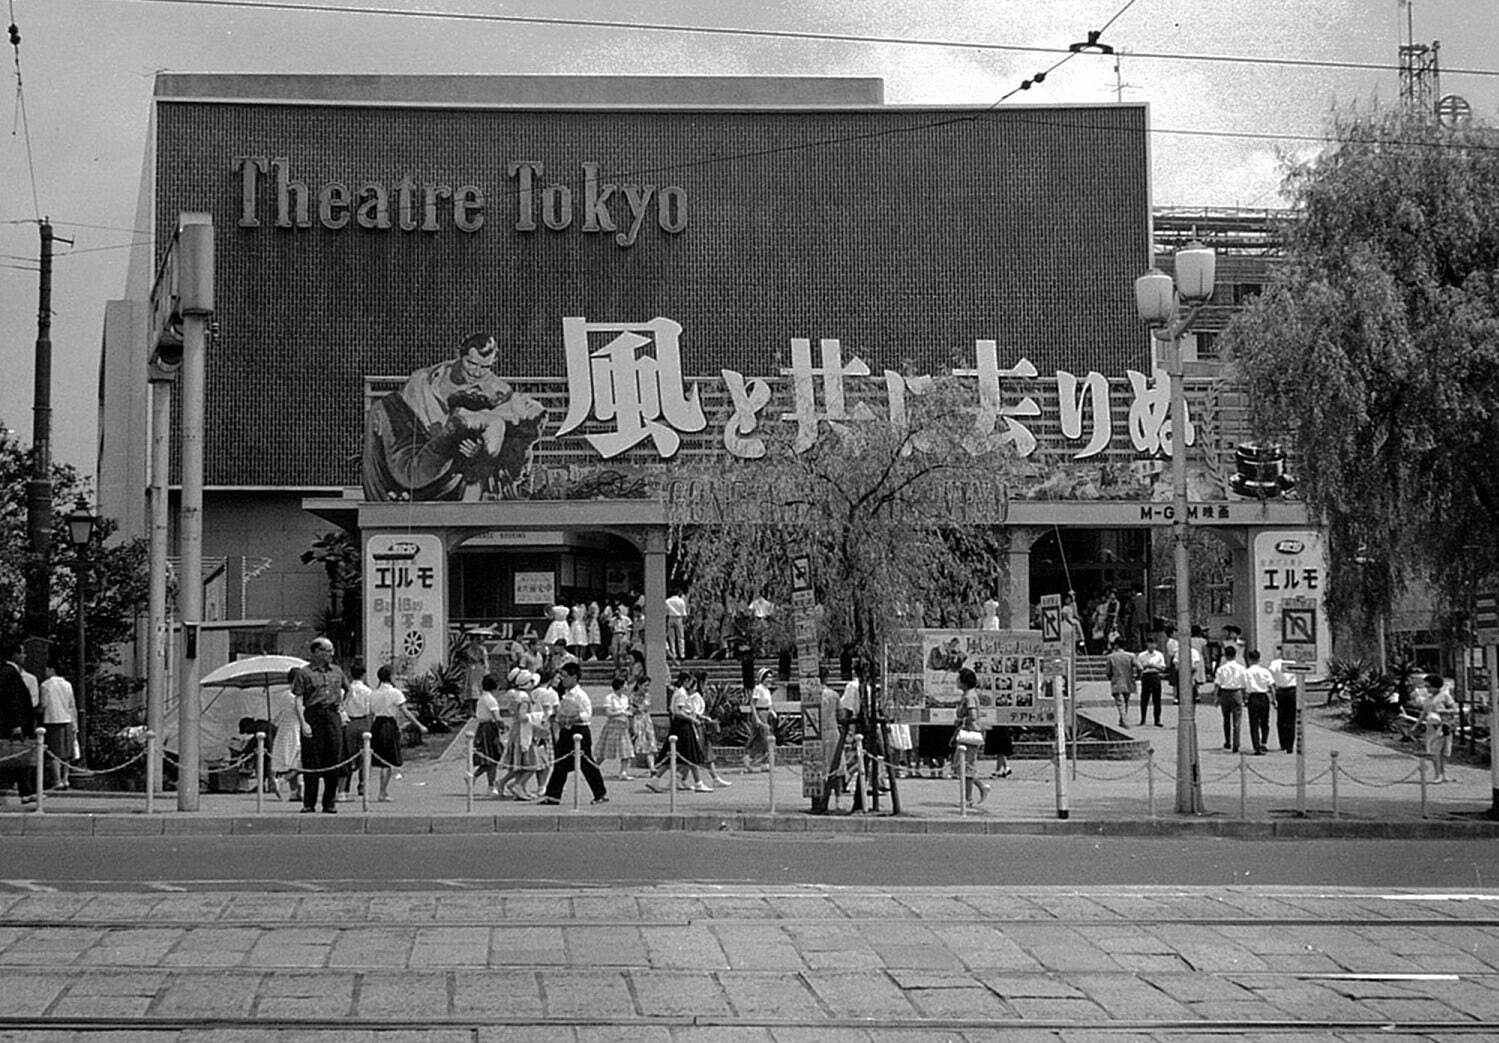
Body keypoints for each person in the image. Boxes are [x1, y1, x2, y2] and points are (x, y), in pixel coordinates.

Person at [362, 331, 547, 501]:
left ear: (494, 361)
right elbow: (402, 413)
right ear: (460, 355)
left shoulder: (499, 392)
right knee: (379, 411)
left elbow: (512, 445)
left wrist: (480, 450)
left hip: (448, 463)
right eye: (471, 363)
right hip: (412, 441)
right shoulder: (428, 377)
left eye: (485, 367)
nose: (476, 372)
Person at [291, 637, 351, 814]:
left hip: (332, 716)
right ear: (316, 652)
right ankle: (309, 803)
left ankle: (329, 802)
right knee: (311, 760)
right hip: (313, 715)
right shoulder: (304, 673)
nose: (330, 654)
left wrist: (342, 706)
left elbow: (348, 689)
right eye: (327, 650)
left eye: (331, 650)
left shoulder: (337, 671)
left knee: (333, 758)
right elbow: (299, 699)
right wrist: (303, 723)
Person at [539, 661, 608, 805]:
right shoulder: (565, 694)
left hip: (579, 732)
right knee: (560, 762)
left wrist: (570, 718)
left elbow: (586, 715)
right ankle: (553, 795)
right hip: (567, 731)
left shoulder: (580, 695)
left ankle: (600, 793)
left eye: (565, 676)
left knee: (586, 763)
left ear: (574, 677)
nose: (562, 680)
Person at [368, 665, 426, 802]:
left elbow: (370, 714)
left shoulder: (373, 693)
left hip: (377, 725)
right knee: (387, 761)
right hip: (388, 725)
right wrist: (419, 725)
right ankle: (382, 791)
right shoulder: (394, 693)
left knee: (381, 759)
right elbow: (405, 712)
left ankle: (380, 790)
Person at [647, 671, 710, 792]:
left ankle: (657, 779)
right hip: (683, 727)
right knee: (691, 754)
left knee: (675, 754)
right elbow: (678, 712)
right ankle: (698, 782)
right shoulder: (681, 693)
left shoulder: (679, 692)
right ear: (686, 681)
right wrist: (692, 719)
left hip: (679, 726)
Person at [498, 670, 546, 800]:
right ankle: (518, 785)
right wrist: (537, 717)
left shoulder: (516, 695)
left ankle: (520, 787)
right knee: (531, 763)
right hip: (523, 733)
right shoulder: (524, 698)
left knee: (523, 763)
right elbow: (522, 717)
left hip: (517, 731)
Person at [0, 644, 37, 805]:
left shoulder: (5, 672)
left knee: (18, 756)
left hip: (8, 723)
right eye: (22, 653)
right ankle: (26, 791)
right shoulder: (11, 674)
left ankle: (25, 790)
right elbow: (13, 700)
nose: (25, 656)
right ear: (14, 655)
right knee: (20, 755)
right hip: (12, 725)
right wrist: (16, 724)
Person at [951, 667, 990, 807]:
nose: (956, 681)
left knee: (964, 767)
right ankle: (980, 788)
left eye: (958, 679)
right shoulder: (968, 695)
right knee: (961, 766)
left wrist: (961, 721)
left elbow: (972, 715)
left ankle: (968, 798)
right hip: (967, 734)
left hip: (969, 734)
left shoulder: (969, 696)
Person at [38, 664, 77, 790]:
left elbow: (43, 704)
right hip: (68, 719)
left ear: (51, 669)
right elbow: (72, 705)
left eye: (46, 669)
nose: (45, 671)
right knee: (67, 752)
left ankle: (57, 780)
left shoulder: (46, 685)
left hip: (52, 720)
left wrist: (37, 712)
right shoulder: (67, 684)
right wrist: (75, 723)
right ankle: (66, 779)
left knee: (54, 753)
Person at [1414, 674, 1459, 783]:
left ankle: (1443, 773)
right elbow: (1423, 713)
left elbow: (1455, 709)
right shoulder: (1428, 699)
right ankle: (1437, 774)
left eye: (1429, 686)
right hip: (1432, 727)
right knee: (1434, 751)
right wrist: (1416, 725)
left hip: (1445, 726)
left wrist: (1444, 712)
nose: (1427, 689)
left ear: (1436, 686)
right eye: (1426, 686)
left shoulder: (1445, 696)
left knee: (1445, 751)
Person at [339, 662, 373, 801]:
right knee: (365, 755)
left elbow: (342, 706)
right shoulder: (367, 691)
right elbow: (370, 710)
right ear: (363, 674)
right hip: (363, 722)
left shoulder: (346, 690)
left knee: (347, 755)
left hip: (349, 722)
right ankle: (363, 784)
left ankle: (344, 787)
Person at [596, 672, 636, 780]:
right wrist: (621, 713)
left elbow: (628, 710)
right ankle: (594, 767)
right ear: (620, 686)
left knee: (626, 750)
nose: (627, 687)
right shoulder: (609, 698)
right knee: (605, 750)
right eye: (625, 685)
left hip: (623, 726)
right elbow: (608, 713)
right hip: (613, 725)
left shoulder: (625, 698)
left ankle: (623, 771)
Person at [471, 674, 506, 797]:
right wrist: (503, 726)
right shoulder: (491, 700)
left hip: (483, 727)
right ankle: (488, 784)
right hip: (489, 728)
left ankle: (489, 784)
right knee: (491, 758)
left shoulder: (482, 698)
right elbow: (497, 717)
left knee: (490, 760)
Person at [1213, 644, 1248, 753]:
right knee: (1237, 720)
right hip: (1237, 692)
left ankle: (1227, 741)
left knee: (1226, 719)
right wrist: (1245, 696)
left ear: (1225, 655)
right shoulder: (1241, 668)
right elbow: (1244, 684)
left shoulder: (1221, 669)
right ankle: (1236, 743)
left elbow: (1217, 684)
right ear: (1235, 655)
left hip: (1225, 693)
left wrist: (1215, 697)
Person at [1267, 647, 1299, 753]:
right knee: (1291, 718)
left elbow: (1270, 674)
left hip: (1280, 690)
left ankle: (1283, 743)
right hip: (1292, 691)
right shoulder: (1294, 662)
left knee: (1281, 718)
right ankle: (1290, 744)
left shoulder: (1274, 663)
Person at [1243, 649, 1275, 755]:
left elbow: (1244, 687)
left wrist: (1245, 698)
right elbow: (1271, 686)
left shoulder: (1246, 672)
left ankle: (1256, 746)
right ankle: (1264, 742)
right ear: (1259, 659)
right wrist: (1274, 699)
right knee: (1265, 721)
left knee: (1254, 723)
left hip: (1252, 698)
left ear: (1249, 659)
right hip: (1263, 697)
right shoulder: (1265, 671)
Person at [744, 668, 775, 771]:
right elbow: (753, 704)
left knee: (762, 738)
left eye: (771, 677)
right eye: (767, 677)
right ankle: (752, 759)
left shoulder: (767, 690)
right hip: (760, 713)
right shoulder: (758, 688)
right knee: (763, 738)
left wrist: (772, 712)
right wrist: (756, 718)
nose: (769, 680)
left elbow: (769, 705)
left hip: (766, 715)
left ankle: (760, 761)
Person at [1105, 637, 1136, 729]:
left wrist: (1110, 677)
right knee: (1125, 702)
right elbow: (1140, 667)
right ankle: (1122, 720)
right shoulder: (1131, 656)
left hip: (1116, 682)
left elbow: (1108, 671)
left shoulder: (1111, 657)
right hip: (1128, 681)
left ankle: (1125, 720)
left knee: (1120, 703)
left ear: (1116, 645)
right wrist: (1137, 675)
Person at [1134, 636, 1166, 727]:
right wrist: (1145, 666)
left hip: (1155, 675)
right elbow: (1139, 668)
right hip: (1146, 676)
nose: (1151, 646)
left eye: (1153, 644)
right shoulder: (1142, 655)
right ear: (1146, 644)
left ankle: (1157, 720)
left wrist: (1153, 666)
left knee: (1157, 699)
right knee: (1144, 699)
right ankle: (1143, 719)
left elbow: (1163, 668)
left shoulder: (1159, 655)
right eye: (1149, 644)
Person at [665, 590, 688, 660]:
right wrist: (684, 621)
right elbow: (684, 612)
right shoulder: (681, 601)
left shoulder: (668, 601)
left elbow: (666, 611)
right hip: (679, 618)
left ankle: (674, 654)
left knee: (672, 638)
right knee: (680, 637)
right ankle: (682, 654)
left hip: (671, 617)